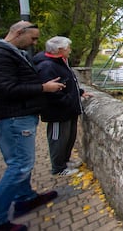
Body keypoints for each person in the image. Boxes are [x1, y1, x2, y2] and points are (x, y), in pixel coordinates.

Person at [0, 21, 66, 231]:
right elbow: (5, 89)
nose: (35, 43)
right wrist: (44, 87)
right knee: (20, 166)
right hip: (12, 118)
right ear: (18, 32)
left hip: (16, 117)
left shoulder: (5, 53)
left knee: (20, 165)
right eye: (32, 38)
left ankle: (25, 197)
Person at [33, 36, 92, 177]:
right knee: (58, 139)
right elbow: (50, 92)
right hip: (57, 112)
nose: (70, 50)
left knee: (68, 138)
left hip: (68, 110)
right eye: (68, 48)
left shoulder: (60, 62)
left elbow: (67, 84)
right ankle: (58, 168)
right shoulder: (47, 66)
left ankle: (65, 161)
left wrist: (80, 93)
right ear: (60, 50)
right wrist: (67, 101)